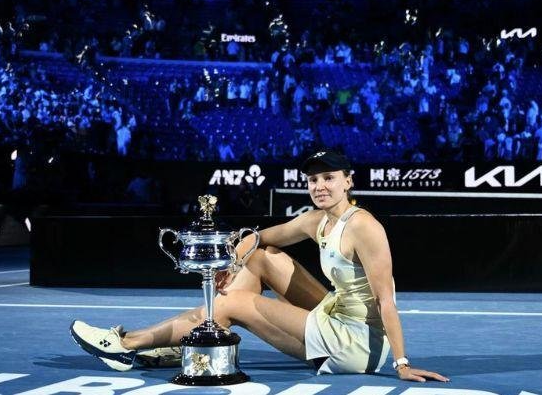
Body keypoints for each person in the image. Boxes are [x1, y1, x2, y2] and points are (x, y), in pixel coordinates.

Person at [70, 150, 449, 382]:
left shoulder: (364, 226)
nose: (320, 186)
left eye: (329, 178)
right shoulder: (316, 219)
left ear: (348, 181)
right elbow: (257, 237)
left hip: (357, 343)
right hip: (335, 314)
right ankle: (200, 335)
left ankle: (125, 344)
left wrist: (402, 363)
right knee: (261, 258)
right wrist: (230, 262)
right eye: (313, 179)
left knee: (234, 303)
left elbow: (386, 301)